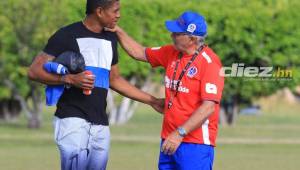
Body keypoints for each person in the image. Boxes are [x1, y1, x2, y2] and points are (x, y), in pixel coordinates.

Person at [27, 0, 164, 169]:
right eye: (115, 11)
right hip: (72, 119)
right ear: (99, 11)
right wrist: (69, 79)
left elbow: (114, 80)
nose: (119, 15)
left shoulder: (110, 38)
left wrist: (152, 101)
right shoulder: (66, 34)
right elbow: (34, 71)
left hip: (100, 122)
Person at [110, 11, 224, 170]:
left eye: (177, 33)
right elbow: (139, 52)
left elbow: (208, 107)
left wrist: (179, 134)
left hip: (194, 144)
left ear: (192, 38)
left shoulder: (210, 63)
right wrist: (116, 30)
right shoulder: (171, 52)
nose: (172, 35)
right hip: (169, 139)